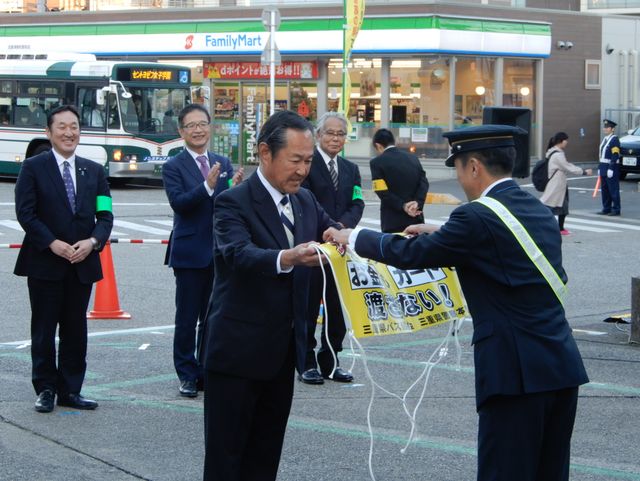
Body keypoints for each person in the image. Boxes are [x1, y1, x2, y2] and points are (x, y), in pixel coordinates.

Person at [324, 124, 589, 481]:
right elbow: (503, 249)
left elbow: (411, 254)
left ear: (475, 167)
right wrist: (439, 231)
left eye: (459, 169)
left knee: (505, 472)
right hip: (560, 366)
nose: (461, 178)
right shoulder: (535, 208)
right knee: (549, 471)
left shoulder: (476, 216)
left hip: (515, 372)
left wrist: (353, 236)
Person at [202, 110, 340, 481]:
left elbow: (334, 232)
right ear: (265, 153)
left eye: (308, 161)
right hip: (236, 353)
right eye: (294, 160)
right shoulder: (233, 201)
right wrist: (288, 257)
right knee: (226, 460)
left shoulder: (306, 201)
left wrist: (376, 243)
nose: (302, 170)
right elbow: (238, 254)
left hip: (283, 354)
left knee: (265, 458)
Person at [14, 105, 113, 413]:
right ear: (49, 132)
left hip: (82, 263)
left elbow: (105, 215)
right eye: (62, 127)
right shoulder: (33, 167)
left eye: (74, 127)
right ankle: (45, 388)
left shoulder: (94, 171)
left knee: (75, 329)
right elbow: (25, 213)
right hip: (45, 262)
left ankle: (70, 389)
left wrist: (94, 241)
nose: (69, 132)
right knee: (43, 329)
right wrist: (52, 243)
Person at [162, 103, 243, 398]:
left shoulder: (222, 161)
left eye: (202, 124)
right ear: (182, 131)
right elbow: (180, 204)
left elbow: (228, 207)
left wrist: (234, 188)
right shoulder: (173, 166)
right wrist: (208, 186)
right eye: (191, 125)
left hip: (220, 252)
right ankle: (186, 373)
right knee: (186, 318)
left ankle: (208, 370)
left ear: (210, 127)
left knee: (213, 318)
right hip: (189, 252)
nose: (198, 130)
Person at [300, 111, 364, 384]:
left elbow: (358, 203)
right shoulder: (306, 163)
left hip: (340, 249)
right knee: (308, 307)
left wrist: (341, 228)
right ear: (318, 135)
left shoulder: (351, 169)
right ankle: (305, 363)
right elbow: (302, 200)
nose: (336, 138)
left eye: (341, 134)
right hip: (313, 246)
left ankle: (332, 361)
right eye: (330, 133)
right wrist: (329, 228)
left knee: (338, 310)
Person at [370, 128, 429, 233]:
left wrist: (403, 205)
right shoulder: (413, 158)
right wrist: (417, 203)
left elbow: (382, 192)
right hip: (416, 219)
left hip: (392, 221)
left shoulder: (376, 162)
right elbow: (424, 184)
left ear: (378, 146)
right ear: (394, 141)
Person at [540, 132, 592, 235]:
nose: (567, 142)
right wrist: (584, 172)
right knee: (551, 206)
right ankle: (551, 226)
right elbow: (567, 167)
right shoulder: (558, 154)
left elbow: (565, 166)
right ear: (562, 141)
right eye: (566, 140)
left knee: (560, 206)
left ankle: (560, 228)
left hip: (558, 184)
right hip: (556, 185)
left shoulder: (552, 151)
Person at [597, 119, 621, 216]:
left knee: (613, 189)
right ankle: (606, 208)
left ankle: (616, 209)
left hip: (611, 167)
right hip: (603, 167)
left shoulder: (614, 139)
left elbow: (615, 154)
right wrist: (600, 167)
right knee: (605, 189)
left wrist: (611, 168)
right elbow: (601, 156)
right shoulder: (605, 139)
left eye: (607, 127)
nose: (605, 129)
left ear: (612, 129)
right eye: (604, 127)